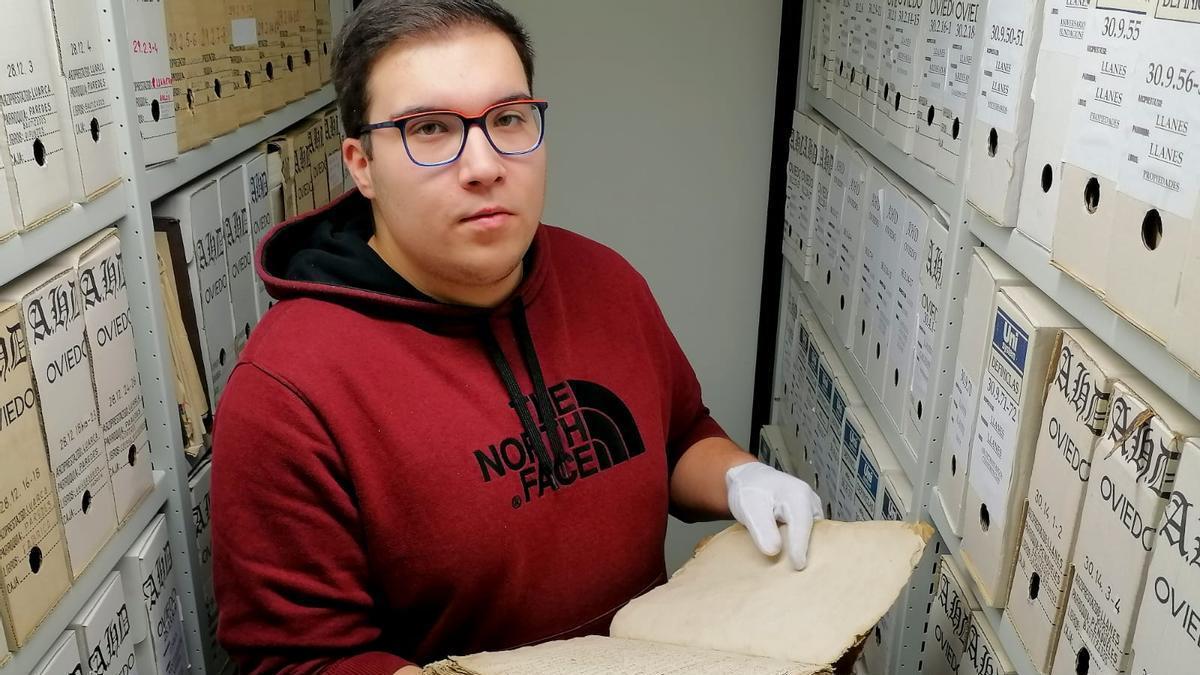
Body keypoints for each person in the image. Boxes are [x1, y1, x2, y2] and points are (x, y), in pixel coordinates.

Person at [210, 1, 821, 673]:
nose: (484, 164)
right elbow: (301, 661)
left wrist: (740, 473)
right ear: (361, 164)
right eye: (431, 129)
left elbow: (678, 435)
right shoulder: (289, 389)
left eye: (507, 119)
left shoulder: (605, 281)